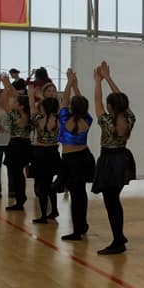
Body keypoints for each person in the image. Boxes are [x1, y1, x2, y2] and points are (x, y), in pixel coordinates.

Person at [92, 62, 137, 255]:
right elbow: (120, 101)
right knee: (114, 199)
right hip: (123, 158)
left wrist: (98, 81)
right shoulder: (129, 118)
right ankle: (119, 235)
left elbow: (97, 100)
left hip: (109, 161)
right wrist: (108, 78)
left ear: (110, 106)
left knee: (111, 202)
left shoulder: (107, 121)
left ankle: (118, 240)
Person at [55, 69, 96, 241]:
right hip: (84, 157)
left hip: (71, 161)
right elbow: (79, 102)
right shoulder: (87, 119)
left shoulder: (65, 118)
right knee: (80, 194)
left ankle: (77, 230)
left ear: (72, 107)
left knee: (75, 195)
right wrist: (75, 86)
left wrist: (69, 82)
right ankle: (82, 225)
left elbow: (64, 100)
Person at [28, 86, 61, 223]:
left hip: (40, 155)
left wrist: (31, 96)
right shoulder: (59, 120)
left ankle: (43, 216)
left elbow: (32, 109)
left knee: (42, 186)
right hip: (53, 153)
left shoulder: (38, 120)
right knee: (50, 184)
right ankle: (54, 210)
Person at [0, 75, 32, 211]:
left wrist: (6, 86)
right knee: (19, 174)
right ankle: (20, 198)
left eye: (15, 102)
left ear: (20, 106)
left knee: (16, 174)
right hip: (25, 144)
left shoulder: (15, 114)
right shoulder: (29, 114)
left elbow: (3, 103)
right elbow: (17, 97)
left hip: (15, 145)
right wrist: (8, 85)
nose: (13, 102)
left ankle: (20, 200)